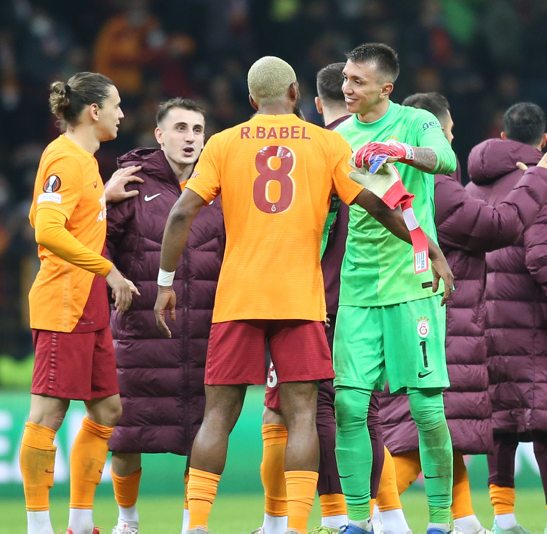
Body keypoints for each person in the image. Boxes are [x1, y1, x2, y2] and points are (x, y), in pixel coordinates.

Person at [153, 56, 453, 534]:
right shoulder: (327, 142)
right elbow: (380, 202)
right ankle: (295, 527)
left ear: (252, 99)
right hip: (299, 300)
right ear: (295, 92)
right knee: (301, 416)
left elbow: (179, 215)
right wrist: (428, 247)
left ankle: (195, 527)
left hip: (239, 298)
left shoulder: (224, 144)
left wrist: (165, 283)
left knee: (217, 417)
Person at [377, 92, 547, 534]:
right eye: (444, 135)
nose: (448, 144)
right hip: (439, 319)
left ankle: (464, 521)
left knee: (444, 429)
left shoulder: (396, 177)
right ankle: (367, 513)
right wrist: (538, 180)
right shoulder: (433, 184)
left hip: (417, 315)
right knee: (417, 436)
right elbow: (496, 227)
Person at [254, 62, 390, 534]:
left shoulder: (305, 148)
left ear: (311, 101)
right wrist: (427, 249)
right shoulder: (369, 149)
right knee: (363, 410)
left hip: (306, 299)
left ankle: (293, 523)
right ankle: (375, 519)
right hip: (371, 299)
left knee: (291, 411)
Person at [332, 42, 457, 534]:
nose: (346, 88)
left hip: (414, 281)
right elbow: (326, 213)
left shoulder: (415, 122)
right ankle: (358, 522)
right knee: (348, 405)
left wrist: (400, 151)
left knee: (426, 410)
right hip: (358, 288)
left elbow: (445, 159)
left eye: (357, 81)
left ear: (386, 87)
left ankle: (441, 523)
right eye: (345, 78)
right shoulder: (337, 137)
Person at [465, 102, 547, 534]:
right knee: (544, 416)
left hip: (482, 317)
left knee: (497, 422)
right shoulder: (540, 182)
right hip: (532, 320)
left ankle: (503, 520)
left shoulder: (472, 184)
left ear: (502, 138)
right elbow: (545, 262)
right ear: (543, 141)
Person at [22, 72, 138, 534]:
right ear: (94, 111)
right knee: (47, 414)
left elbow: (42, 211)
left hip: (87, 307)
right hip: (64, 301)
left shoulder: (85, 163)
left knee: (107, 411)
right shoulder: (66, 159)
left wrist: (99, 202)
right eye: (116, 105)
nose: (121, 113)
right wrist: (108, 269)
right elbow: (46, 230)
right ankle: (37, 527)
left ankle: (80, 523)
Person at [103, 97, 223, 534]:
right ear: (159, 135)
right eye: (180, 129)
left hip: (205, 334)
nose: (190, 138)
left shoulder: (219, 186)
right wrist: (114, 280)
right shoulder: (129, 184)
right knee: (128, 430)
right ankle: (127, 522)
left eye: (197, 130)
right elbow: (98, 247)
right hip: (140, 331)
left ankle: (195, 524)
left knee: (202, 433)